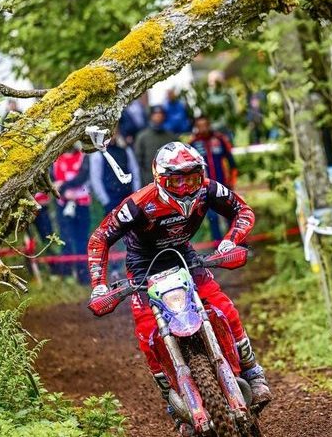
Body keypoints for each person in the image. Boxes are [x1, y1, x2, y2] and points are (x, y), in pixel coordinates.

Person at [86, 142, 271, 434]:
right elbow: (99, 238)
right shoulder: (138, 204)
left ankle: (253, 373)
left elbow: (242, 210)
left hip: (184, 257)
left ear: (201, 176)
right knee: (148, 334)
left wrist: (231, 240)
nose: (185, 189)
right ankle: (175, 406)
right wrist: (99, 285)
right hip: (142, 268)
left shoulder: (209, 190)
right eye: (176, 181)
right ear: (160, 179)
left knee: (223, 307)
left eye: (192, 179)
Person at [188, 116, 238, 241]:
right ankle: (218, 245)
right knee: (212, 217)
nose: (203, 128)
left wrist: (232, 181)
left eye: (205, 125)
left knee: (230, 214)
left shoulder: (220, 139)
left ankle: (236, 243)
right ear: (196, 127)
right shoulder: (192, 144)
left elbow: (232, 163)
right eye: (200, 126)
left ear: (209, 125)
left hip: (223, 185)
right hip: (205, 188)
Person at [52, 141, 91, 284]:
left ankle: (83, 275)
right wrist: (63, 191)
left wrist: (63, 185)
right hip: (63, 203)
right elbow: (53, 181)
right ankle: (67, 273)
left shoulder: (83, 156)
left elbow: (83, 176)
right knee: (65, 238)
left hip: (81, 203)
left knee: (82, 239)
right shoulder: (56, 158)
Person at [90, 129, 141, 213]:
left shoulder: (126, 150)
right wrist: (105, 200)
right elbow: (95, 179)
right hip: (111, 198)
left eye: (114, 133)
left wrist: (136, 194)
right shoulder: (97, 154)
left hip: (128, 196)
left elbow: (135, 171)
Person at [134, 106, 177, 186]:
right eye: (155, 114)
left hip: (169, 180)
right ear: (151, 116)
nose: (158, 117)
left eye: (160, 114)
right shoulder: (142, 137)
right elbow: (137, 162)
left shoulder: (171, 137)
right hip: (149, 181)